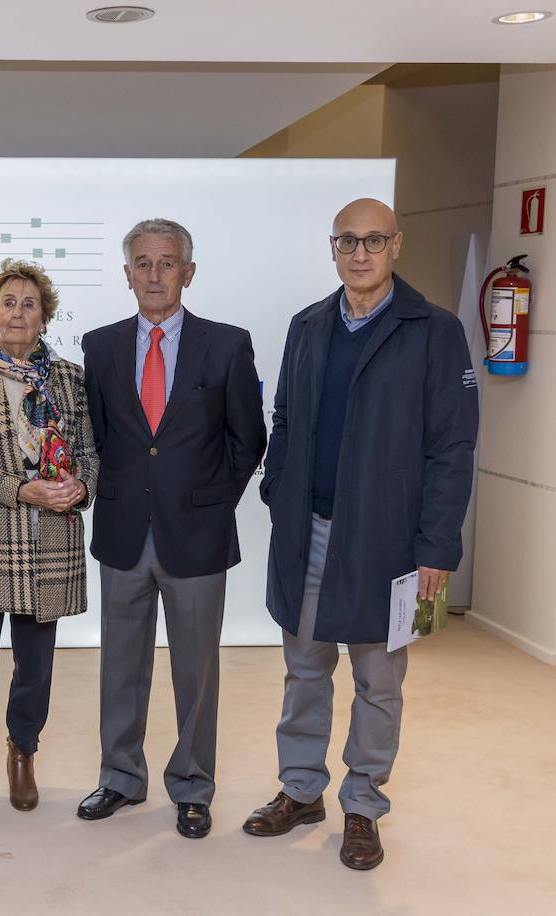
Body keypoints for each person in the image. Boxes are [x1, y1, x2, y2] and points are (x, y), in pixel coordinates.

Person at [242, 198, 478, 870]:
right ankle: (301, 791)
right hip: (310, 531)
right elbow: (284, 418)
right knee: (305, 669)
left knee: (379, 679)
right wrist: (277, 490)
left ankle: (363, 805)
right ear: (333, 248)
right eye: (348, 240)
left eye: (373, 239)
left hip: (389, 542)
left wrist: (436, 547)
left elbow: (453, 447)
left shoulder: (434, 331)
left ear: (396, 245)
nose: (360, 252)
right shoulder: (309, 326)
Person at [78, 218, 266, 839]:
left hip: (198, 535)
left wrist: (213, 501)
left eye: (167, 263)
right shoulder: (100, 346)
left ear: (189, 272)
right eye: (142, 263)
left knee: (196, 669)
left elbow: (248, 438)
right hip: (125, 529)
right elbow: (103, 437)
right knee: (121, 665)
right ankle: (120, 776)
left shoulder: (226, 344)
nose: (154, 275)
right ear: (126, 273)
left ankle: (192, 785)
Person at [0, 259, 96, 818]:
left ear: (44, 317)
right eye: (8, 301)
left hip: (51, 542)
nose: (17, 311)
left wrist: (80, 486)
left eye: (29, 303)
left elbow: (92, 456)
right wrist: (20, 491)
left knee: (36, 667)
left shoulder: (72, 381)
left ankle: (22, 753)